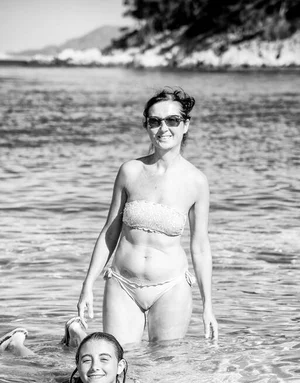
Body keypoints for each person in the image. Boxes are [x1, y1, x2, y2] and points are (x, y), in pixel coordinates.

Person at [77, 87, 218, 345]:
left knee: (166, 369)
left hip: (171, 288)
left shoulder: (197, 182)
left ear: (185, 125)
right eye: (155, 121)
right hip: (122, 284)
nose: (163, 128)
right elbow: (109, 232)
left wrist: (208, 305)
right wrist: (87, 284)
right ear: (147, 126)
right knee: (120, 363)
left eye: (172, 120)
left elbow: (200, 247)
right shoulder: (130, 171)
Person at [0, 317, 129, 383]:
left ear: (120, 366)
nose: (95, 366)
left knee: (94, 348)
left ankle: (76, 332)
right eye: (86, 360)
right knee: (45, 365)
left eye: (104, 359)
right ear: (77, 365)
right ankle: (15, 344)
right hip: (72, 379)